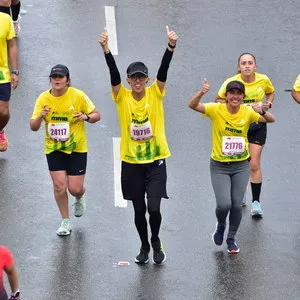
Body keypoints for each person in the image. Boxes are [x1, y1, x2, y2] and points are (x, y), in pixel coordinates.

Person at [98, 26, 178, 264]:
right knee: (138, 211)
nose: (138, 81)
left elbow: (164, 70)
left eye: (141, 77)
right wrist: (106, 50)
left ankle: (155, 240)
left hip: (155, 161)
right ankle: (144, 244)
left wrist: (170, 47)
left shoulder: (156, 93)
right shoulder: (121, 96)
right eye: (134, 78)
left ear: (147, 79)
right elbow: (112, 74)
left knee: (154, 208)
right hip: (131, 162)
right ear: (128, 80)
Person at [188, 80, 275, 253]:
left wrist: (263, 111)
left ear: (243, 97)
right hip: (219, 165)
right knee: (223, 205)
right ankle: (221, 225)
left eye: (238, 94)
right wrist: (201, 93)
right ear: (226, 96)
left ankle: (231, 238)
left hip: (241, 165)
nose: (235, 96)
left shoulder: (247, 111)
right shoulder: (216, 109)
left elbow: (271, 120)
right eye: (232, 93)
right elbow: (192, 105)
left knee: (236, 205)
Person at [30, 64, 101, 236]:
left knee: (74, 188)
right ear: (50, 80)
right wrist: (40, 116)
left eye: (61, 77)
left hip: (76, 148)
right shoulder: (43, 99)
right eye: (54, 77)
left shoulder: (78, 96)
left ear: (67, 80)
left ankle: (80, 196)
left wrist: (85, 117)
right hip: (54, 148)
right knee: (59, 185)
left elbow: (96, 115)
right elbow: (33, 126)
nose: (57, 80)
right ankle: (65, 221)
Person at [215, 53, 275, 217]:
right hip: (238, 127)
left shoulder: (263, 79)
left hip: (257, 124)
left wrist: (267, 103)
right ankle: (241, 191)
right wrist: (237, 103)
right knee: (239, 162)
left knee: (254, 164)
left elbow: (270, 92)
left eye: (250, 63)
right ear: (238, 67)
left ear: (255, 66)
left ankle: (256, 203)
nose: (247, 66)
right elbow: (218, 99)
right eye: (244, 63)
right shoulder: (231, 82)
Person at [0, 10, 18, 152]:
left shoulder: (5, 19)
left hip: (1, 73)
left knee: (3, 112)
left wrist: (15, 71)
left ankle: (0, 130)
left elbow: (12, 45)